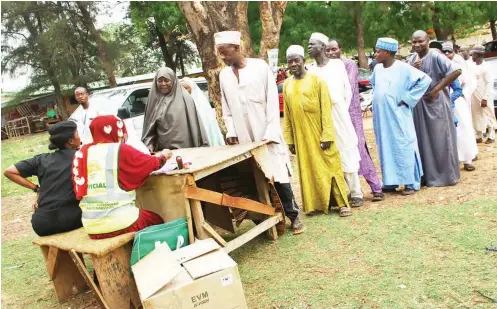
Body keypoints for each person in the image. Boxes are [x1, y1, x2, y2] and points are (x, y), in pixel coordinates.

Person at [215, 31, 304, 234]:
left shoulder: (260, 68)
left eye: (225, 53)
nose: (223, 58)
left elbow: (273, 104)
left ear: (237, 48)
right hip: (244, 138)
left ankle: (294, 216)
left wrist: (270, 132)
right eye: (220, 54)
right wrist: (231, 131)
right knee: (253, 179)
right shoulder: (224, 75)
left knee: (278, 175)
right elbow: (226, 108)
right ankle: (268, 220)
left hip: (266, 134)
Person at [73, 115, 170, 239]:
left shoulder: (82, 152)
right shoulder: (119, 149)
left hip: (91, 226)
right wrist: (164, 156)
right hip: (119, 223)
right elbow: (151, 163)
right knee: (155, 220)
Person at [283, 45, 351, 217]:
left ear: (303, 61)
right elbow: (288, 115)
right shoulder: (287, 84)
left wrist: (327, 134)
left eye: (296, 60)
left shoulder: (317, 80)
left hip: (319, 132)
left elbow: (326, 110)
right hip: (300, 136)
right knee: (308, 169)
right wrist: (290, 140)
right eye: (290, 61)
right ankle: (316, 204)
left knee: (331, 166)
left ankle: (342, 204)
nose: (293, 64)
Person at [307, 32, 364, 207]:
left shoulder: (338, 65)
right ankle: (335, 193)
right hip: (319, 119)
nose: (309, 48)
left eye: (313, 44)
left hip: (339, 114)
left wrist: (337, 110)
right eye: (308, 45)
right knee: (326, 154)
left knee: (346, 149)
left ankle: (356, 193)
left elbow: (347, 92)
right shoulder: (310, 70)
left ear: (323, 47)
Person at [370, 38, 431, 195]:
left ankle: (410, 182)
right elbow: (375, 86)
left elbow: (425, 80)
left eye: (378, 51)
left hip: (398, 114)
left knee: (403, 144)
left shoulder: (404, 68)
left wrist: (408, 99)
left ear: (388, 53)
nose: (375, 54)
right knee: (386, 146)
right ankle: (391, 182)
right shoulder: (377, 69)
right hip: (382, 116)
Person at [326, 39, 384, 201]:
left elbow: (349, 89)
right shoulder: (327, 68)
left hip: (350, 114)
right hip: (335, 116)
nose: (331, 53)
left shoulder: (348, 64)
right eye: (328, 50)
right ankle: (352, 190)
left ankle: (376, 188)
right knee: (342, 153)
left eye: (333, 49)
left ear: (340, 49)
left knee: (359, 149)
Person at [4, 121, 83, 236]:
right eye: (77, 134)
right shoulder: (81, 157)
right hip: (72, 219)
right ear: (70, 141)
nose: (79, 137)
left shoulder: (42, 160)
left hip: (41, 223)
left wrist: (37, 189)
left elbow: (9, 171)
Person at [408, 30, 461, 187]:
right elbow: (406, 80)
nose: (417, 44)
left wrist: (437, 89)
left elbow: (456, 71)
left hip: (436, 104)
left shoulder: (436, 55)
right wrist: (411, 68)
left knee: (440, 139)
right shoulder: (412, 59)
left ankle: (446, 176)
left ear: (428, 40)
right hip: (419, 106)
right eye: (414, 42)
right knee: (422, 139)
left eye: (420, 41)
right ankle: (427, 176)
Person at [142, 67, 209, 153]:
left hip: (187, 150)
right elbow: (149, 131)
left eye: (166, 80)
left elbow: (195, 127)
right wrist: (149, 144)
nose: (163, 84)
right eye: (160, 81)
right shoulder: (153, 102)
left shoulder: (185, 99)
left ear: (173, 81)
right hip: (163, 153)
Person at [442, 41, 478, 170]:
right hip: (442, 101)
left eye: (449, 51)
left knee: (464, 129)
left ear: (453, 52)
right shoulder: (439, 65)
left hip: (458, 102)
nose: (446, 54)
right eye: (444, 51)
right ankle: (453, 160)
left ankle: (467, 160)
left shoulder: (459, 65)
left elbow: (471, 83)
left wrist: (463, 94)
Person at [180, 77, 225, 147]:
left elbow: (208, 126)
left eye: (186, 88)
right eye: (180, 89)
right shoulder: (179, 105)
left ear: (192, 88)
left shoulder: (201, 105)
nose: (183, 91)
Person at [471, 45, 497, 144]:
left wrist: (485, 98)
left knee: (488, 114)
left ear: (477, 55)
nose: (471, 56)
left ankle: (491, 136)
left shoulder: (486, 67)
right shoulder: (473, 66)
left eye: (473, 54)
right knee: (476, 115)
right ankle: (479, 136)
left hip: (484, 96)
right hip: (474, 96)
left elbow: (489, 83)